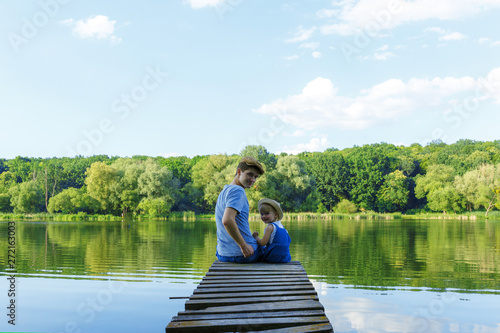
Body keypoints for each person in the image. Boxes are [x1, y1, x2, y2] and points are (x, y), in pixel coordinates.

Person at [215, 156, 265, 263]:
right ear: (239, 172)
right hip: (243, 255)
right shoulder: (238, 191)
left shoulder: (224, 191)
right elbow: (227, 220)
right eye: (250, 174)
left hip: (223, 255)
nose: (253, 180)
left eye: (255, 177)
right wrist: (243, 246)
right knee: (275, 246)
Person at [252, 198, 291, 263]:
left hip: (273, 258)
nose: (264, 216)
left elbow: (263, 243)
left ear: (276, 215)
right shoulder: (283, 228)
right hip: (285, 258)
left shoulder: (270, 227)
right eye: (262, 214)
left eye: (267, 213)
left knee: (258, 247)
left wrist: (256, 237)